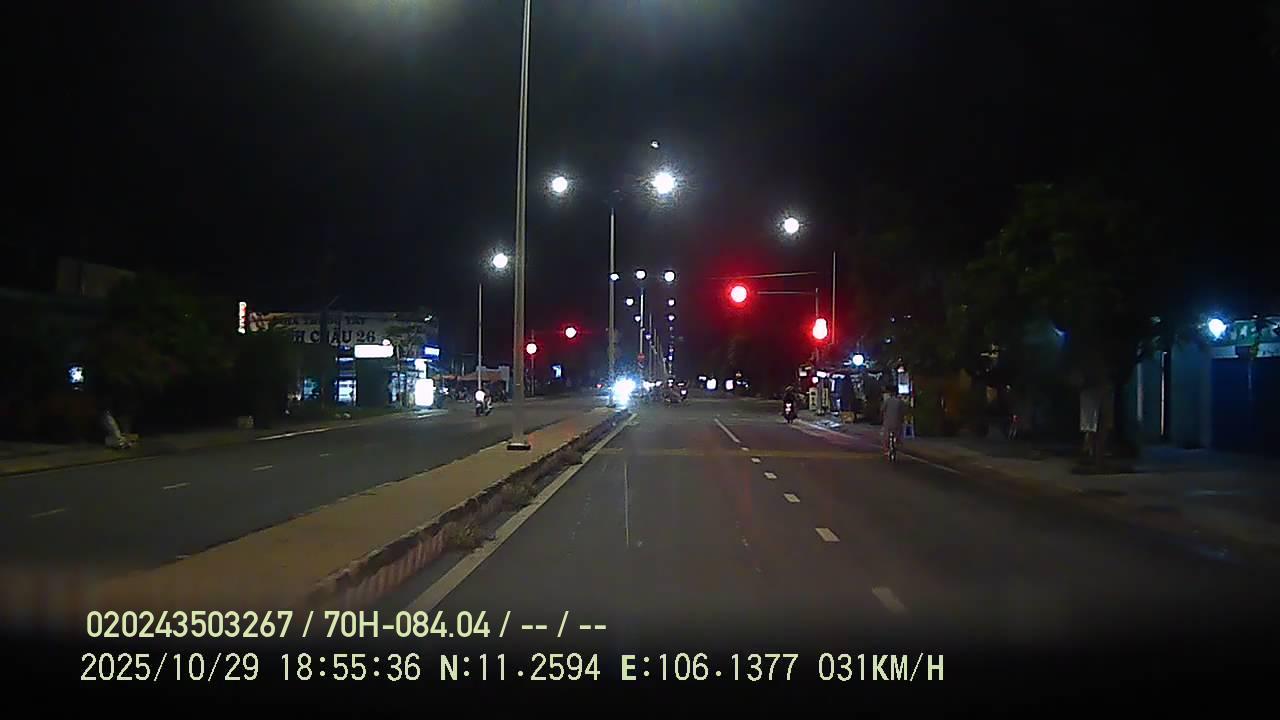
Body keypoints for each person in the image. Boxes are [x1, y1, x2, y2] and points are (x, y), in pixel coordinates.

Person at [882, 391, 907, 456]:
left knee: (886, 435)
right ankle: (899, 442)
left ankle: (886, 449)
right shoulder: (900, 402)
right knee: (899, 432)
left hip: (888, 423)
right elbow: (904, 411)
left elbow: (882, 409)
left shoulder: (887, 401)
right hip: (897, 422)